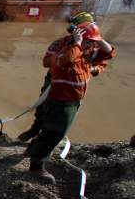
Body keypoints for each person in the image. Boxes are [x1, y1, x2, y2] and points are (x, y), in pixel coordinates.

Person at [26, 21, 112, 183]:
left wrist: (97, 44)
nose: (92, 46)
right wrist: (78, 44)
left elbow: (109, 54)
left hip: (73, 99)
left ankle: (35, 149)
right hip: (60, 97)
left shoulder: (86, 51)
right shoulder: (65, 52)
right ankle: (37, 164)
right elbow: (56, 61)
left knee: (54, 130)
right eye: (89, 42)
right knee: (51, 128)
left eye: (93, 43)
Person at [17, 13, 116, 142]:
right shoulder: (61, 43)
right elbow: (46, 62)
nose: (89, 43)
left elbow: (108, 56)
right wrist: (64, 56)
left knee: (61, 118)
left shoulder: (94, 46)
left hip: (74, 87)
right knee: (43, 107)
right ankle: (35, 129)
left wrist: (90, 65)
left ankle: (41, 140)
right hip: (54, 81)